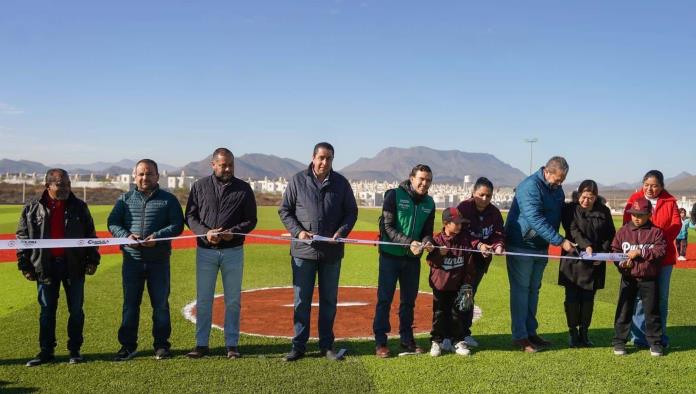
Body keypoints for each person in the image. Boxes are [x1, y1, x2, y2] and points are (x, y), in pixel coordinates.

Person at [278, 142, 358, 362]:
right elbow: (284, 210)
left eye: (329, 158)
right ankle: (299, 346)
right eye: (321, 157)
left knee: (329, 301)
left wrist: (341, 232)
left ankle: (326, 345)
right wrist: (298, 232)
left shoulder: (341, 183)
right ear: (313, 158)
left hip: (331, 253)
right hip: (303, 252)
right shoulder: (297, 180)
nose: (325, 162)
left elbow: (351, 212)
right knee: (301, 300)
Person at [16, 169, 100, 366]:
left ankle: (75, 350)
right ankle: (46, 351)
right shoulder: (31, 208)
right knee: (47, 311)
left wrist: (93, 260)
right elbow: (22, 237)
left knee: (76, 310)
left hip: (74, 265)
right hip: (45, 266)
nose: (65, 189)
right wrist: (24, 264)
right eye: (60, 185)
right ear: (48, 186)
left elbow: (91, 236)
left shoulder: (80, 206)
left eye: (68, 184)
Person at [107, 159, 184, 361]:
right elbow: (113, 222)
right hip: (132, 261)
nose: (145, 178)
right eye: (141, 174)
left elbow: (177, 225)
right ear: (135, 176)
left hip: (159, 261)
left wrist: (157, 237)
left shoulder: (169, 199)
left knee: (160, 305)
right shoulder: (124, 199)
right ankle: (127, 346)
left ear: (157, 176)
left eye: (149, 174)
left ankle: (161, 345)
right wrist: (126, 236)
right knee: (130, 305)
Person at [185, 148, 257, 359]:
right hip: (205, 252)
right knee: (204, 299)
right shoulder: (199, 187)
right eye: (223, 165)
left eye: (231, 165)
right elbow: (190, 216)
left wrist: (232, 233)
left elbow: (251, 220)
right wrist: (205, 233)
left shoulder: (244, 189)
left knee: (233, 300)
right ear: (213, 165)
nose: (227, 169)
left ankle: (232, 344)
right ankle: (201, 344)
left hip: (233, 251)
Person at [504, 156, 576, 353]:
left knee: (533, 290)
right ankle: (520, 336)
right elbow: (534, 218)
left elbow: (559, 214)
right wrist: (560, 241)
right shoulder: (529, 186)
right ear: (547, 171)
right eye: (558, 179)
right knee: (521, 291)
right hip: (521, 245)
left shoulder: (557, 189)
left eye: (563, 180)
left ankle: (531, 332)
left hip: (540, 247)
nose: (560, 183)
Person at [373, 164, 435, 358]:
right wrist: (409, 243)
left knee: (409, 301)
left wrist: (427, 243)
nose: (424, 183)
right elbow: (387, 228)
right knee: (384, 300)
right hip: (390, 257)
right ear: (411, 178)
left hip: (412, 260)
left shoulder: (430, 203)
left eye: (428, 180)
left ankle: (406, 339)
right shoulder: (394, 195)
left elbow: (427, 232)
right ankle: (381, 342)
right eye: (421, 179)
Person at [622, 170, 680, 348]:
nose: (650, 189)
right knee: (639, 297)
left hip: (663, 257)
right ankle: (639, 336)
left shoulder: (670, 202)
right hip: (639, 257)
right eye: (647, 185)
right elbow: (627, 224)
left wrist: (657, 241)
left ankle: (660, 336)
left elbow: (676, 224)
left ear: (661, 186)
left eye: (655, 186)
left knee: (661, 297)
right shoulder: (634, 198)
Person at [558, 180, 615, 347]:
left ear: (595, 197)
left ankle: (584, 332)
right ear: (579, 195)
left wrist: (601, 254)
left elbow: (610, 234)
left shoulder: (603, 211)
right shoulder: (570, 209)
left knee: (588, 299)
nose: (586, 201)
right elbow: (572, 230)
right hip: (573, 259)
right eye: (583, 197)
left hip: (595, 262)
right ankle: (573, 333)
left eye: (590, 198)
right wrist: (586, 246)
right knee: (572, 298)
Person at [612, 197, 666, 357]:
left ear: (649, 214)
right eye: (633, 214)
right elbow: (615, 250)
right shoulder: (623, 231)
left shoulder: (656, 232)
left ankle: (655, 343)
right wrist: (622, 264)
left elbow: (660, 251)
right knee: (624, 309)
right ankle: (619, 341)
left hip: (648, 278)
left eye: (641, 214)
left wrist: (641, 252)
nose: (636, 217)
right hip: (628, 277)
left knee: (651, 311)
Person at [456, 176, 505, 348]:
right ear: (473, 192)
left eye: (488, 196)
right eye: (481, 195)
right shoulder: (463, 208)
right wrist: (479, 245)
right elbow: (459, 232)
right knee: (457, 295)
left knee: (468, 295)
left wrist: (498, 246)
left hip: (479, 264)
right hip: (461, 260)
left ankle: (463, 334)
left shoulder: (495, 212)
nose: (484, 199)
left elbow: (498, 234)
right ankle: (450, 335)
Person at [426, 207, 475, 357]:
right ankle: (437, 341)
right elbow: (431, 262)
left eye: (461, 223)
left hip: (457, 285)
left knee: (457, 314)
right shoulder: (436, 240)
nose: (460, 226)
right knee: (439, 314)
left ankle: (457, 341)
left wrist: (467, 283)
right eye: (456, 223)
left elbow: (469, 262)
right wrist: (438, 254)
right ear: (446, 223)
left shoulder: (464, 240)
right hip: (440, 285)